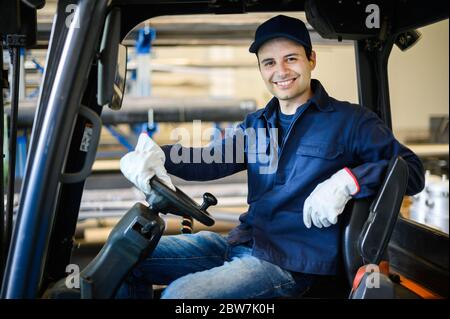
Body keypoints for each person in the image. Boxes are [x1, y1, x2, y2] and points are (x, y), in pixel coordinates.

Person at [117, 15, 425, 299]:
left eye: (291, 58)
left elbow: (411, 171)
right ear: (262, 69)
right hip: (242, 245)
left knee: (182, 297)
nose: (281, 71)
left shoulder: (352, 122)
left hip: (291, 266)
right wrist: (159, 155)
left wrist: (350, 181)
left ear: (311, 59)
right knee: (123, 258)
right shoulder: (257, 124)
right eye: (269, 63)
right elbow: (209, 158)